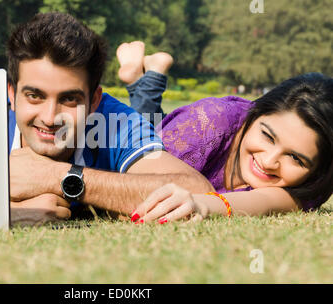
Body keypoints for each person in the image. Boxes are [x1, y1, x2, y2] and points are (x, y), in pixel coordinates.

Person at [6, 13, 214, 226]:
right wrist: (6, 215)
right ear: (12, 95)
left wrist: (57, 177)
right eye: (34, 96)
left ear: (94, 101)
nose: (50, 118)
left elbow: (199, 191)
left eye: (69, 99)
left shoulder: (116, 121)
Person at [116, 43, 333, 224]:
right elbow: (132, 184)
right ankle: (147, 79)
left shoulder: (312, 184)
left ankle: (144, 79)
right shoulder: (208, 124)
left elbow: (270, 201)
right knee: (147, 130)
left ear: (317, 169)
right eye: (268, 136)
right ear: (254, 114)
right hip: (156, 139)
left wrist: (201, 204)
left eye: (295, 158)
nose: (268, 161)